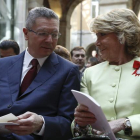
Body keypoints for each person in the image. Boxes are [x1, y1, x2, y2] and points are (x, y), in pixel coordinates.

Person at [0, 7, 80, 140]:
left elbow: (70, 124)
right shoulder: (3, 65)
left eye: (54, 34)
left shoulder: (68, 71)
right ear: (26, 33)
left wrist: (42, 123)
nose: (49, 40)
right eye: (42, 33)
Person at [72, 8, 140, 140]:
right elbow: (79, 125)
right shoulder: (90, 73)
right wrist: (80, 123)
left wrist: (125, 123)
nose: (97, 43)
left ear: (122, 36)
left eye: (102, 34)